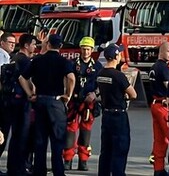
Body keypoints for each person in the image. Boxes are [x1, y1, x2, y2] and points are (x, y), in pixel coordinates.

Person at [18, 33, 75, 176]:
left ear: (47, 44)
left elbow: (22, 77)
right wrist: (67, 95)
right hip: (56, 102)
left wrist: (30, 94)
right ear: (60, 46)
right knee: (57, 142)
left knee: (40, 141)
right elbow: (71, 78)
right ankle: (58, 172)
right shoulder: (64, 62)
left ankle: (39, 171)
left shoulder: (37, 60)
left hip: (40, 101)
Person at [95, 45, 137, 176]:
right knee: (120, 148)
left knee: (106, 149)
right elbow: (133, 94)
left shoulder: (101, 74)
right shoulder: (118, 76)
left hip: (106, 114)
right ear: (116, 56)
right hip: (118, 115)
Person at [64, 36, 102, 171]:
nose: (85, 52)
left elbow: (101, 84)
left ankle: (83, 160)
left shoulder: (97, 66)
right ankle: (67, 159)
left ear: (92, 50)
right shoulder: (72, 64)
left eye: (88, 49)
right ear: (80, 49)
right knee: (70, 131)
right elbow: (66, 80)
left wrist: (94, 95)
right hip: (74, 102)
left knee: (85, 132)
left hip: (88, 105)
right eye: (84, 49)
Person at [5, 33, 38, 176]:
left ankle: (13, 167)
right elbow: (24, 79)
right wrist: (31, 94)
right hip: (21, 101)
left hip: (12, 100)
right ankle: (18, 169)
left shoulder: (14, 58)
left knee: (16, 136)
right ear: (26, 45)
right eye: (33, 44)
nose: (35, 47)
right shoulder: (24, 60)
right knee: (21, 136)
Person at [149, 41, 169, 176]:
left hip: (154, 104)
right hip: (163, 106)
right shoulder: (164, 68)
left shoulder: (154, 67)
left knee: (159, 140)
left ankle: (158, 170)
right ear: (162, 51)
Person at [0, 32, 17, 164]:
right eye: (10, 42)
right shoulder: (2, 56)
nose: (13, 45)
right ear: (2, 43)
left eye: (14, 43)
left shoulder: (7, 56)